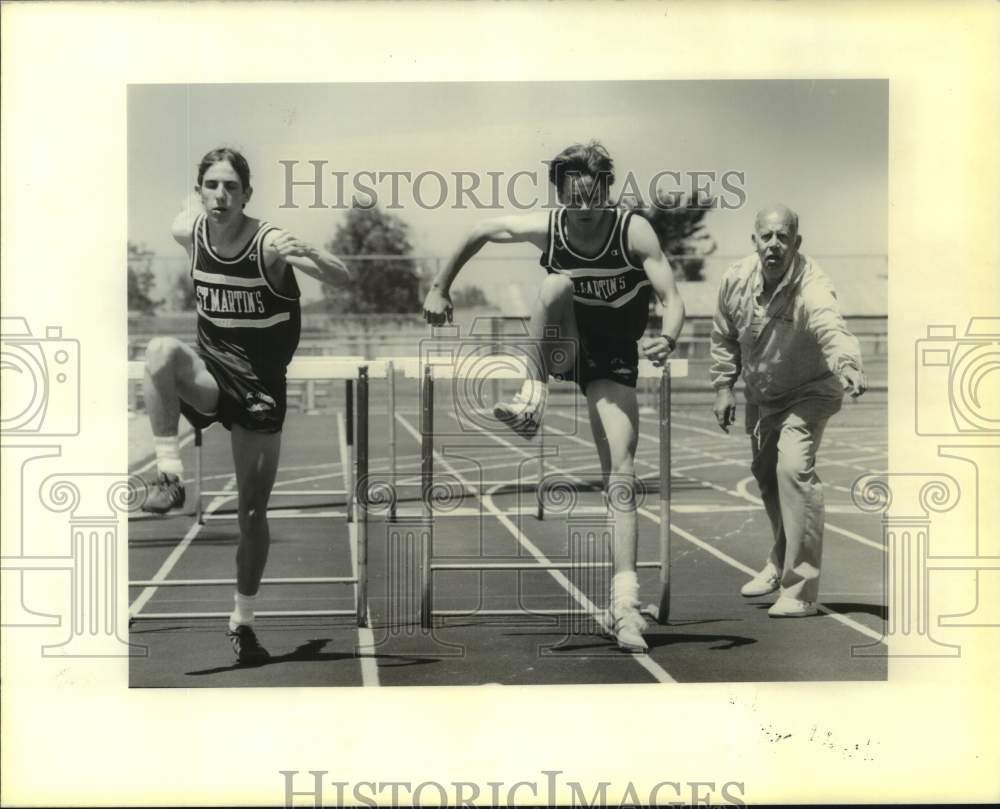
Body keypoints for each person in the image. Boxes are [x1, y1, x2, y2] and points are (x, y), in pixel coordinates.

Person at [422, 141, 685, 652]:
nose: (584, 212)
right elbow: (478, 231)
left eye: (592, 200)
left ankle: (626, 603)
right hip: (564, 344)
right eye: (574, 200)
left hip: (612, 355)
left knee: (622, 472)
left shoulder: (632, 229)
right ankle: (531, 393)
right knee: (554, 287)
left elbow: (672, 298)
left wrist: (668, 338)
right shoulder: (550, 225)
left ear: (607, 192)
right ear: (560, 195)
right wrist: (440, 287)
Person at [139, 147, 351, 663]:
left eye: (231, 187)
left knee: (252, 513)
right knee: (160, 351)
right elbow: (176, 219)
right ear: (201, 191)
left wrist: (315, 257)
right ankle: (169, 471)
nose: (221, 195)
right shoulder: (190, 230)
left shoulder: (270, 244)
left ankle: (243, 619)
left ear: (246, 195)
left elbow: (342, 277)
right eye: (211, 185)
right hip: (212, 373)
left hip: (259, 388)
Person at [710, 204, 867, 617]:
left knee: (793, 470)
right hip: (763, 393)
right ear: (755, 241)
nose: (774, 244)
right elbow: (724, 335)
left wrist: (847, 363)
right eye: (767, 236)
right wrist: (723, 386)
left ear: (796, 243)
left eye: (783, 237)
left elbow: (830, 326)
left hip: (811, 390)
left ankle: (800, 590)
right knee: (765, 474)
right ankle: (780, 559)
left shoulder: (813, 286)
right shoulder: (735, 279)